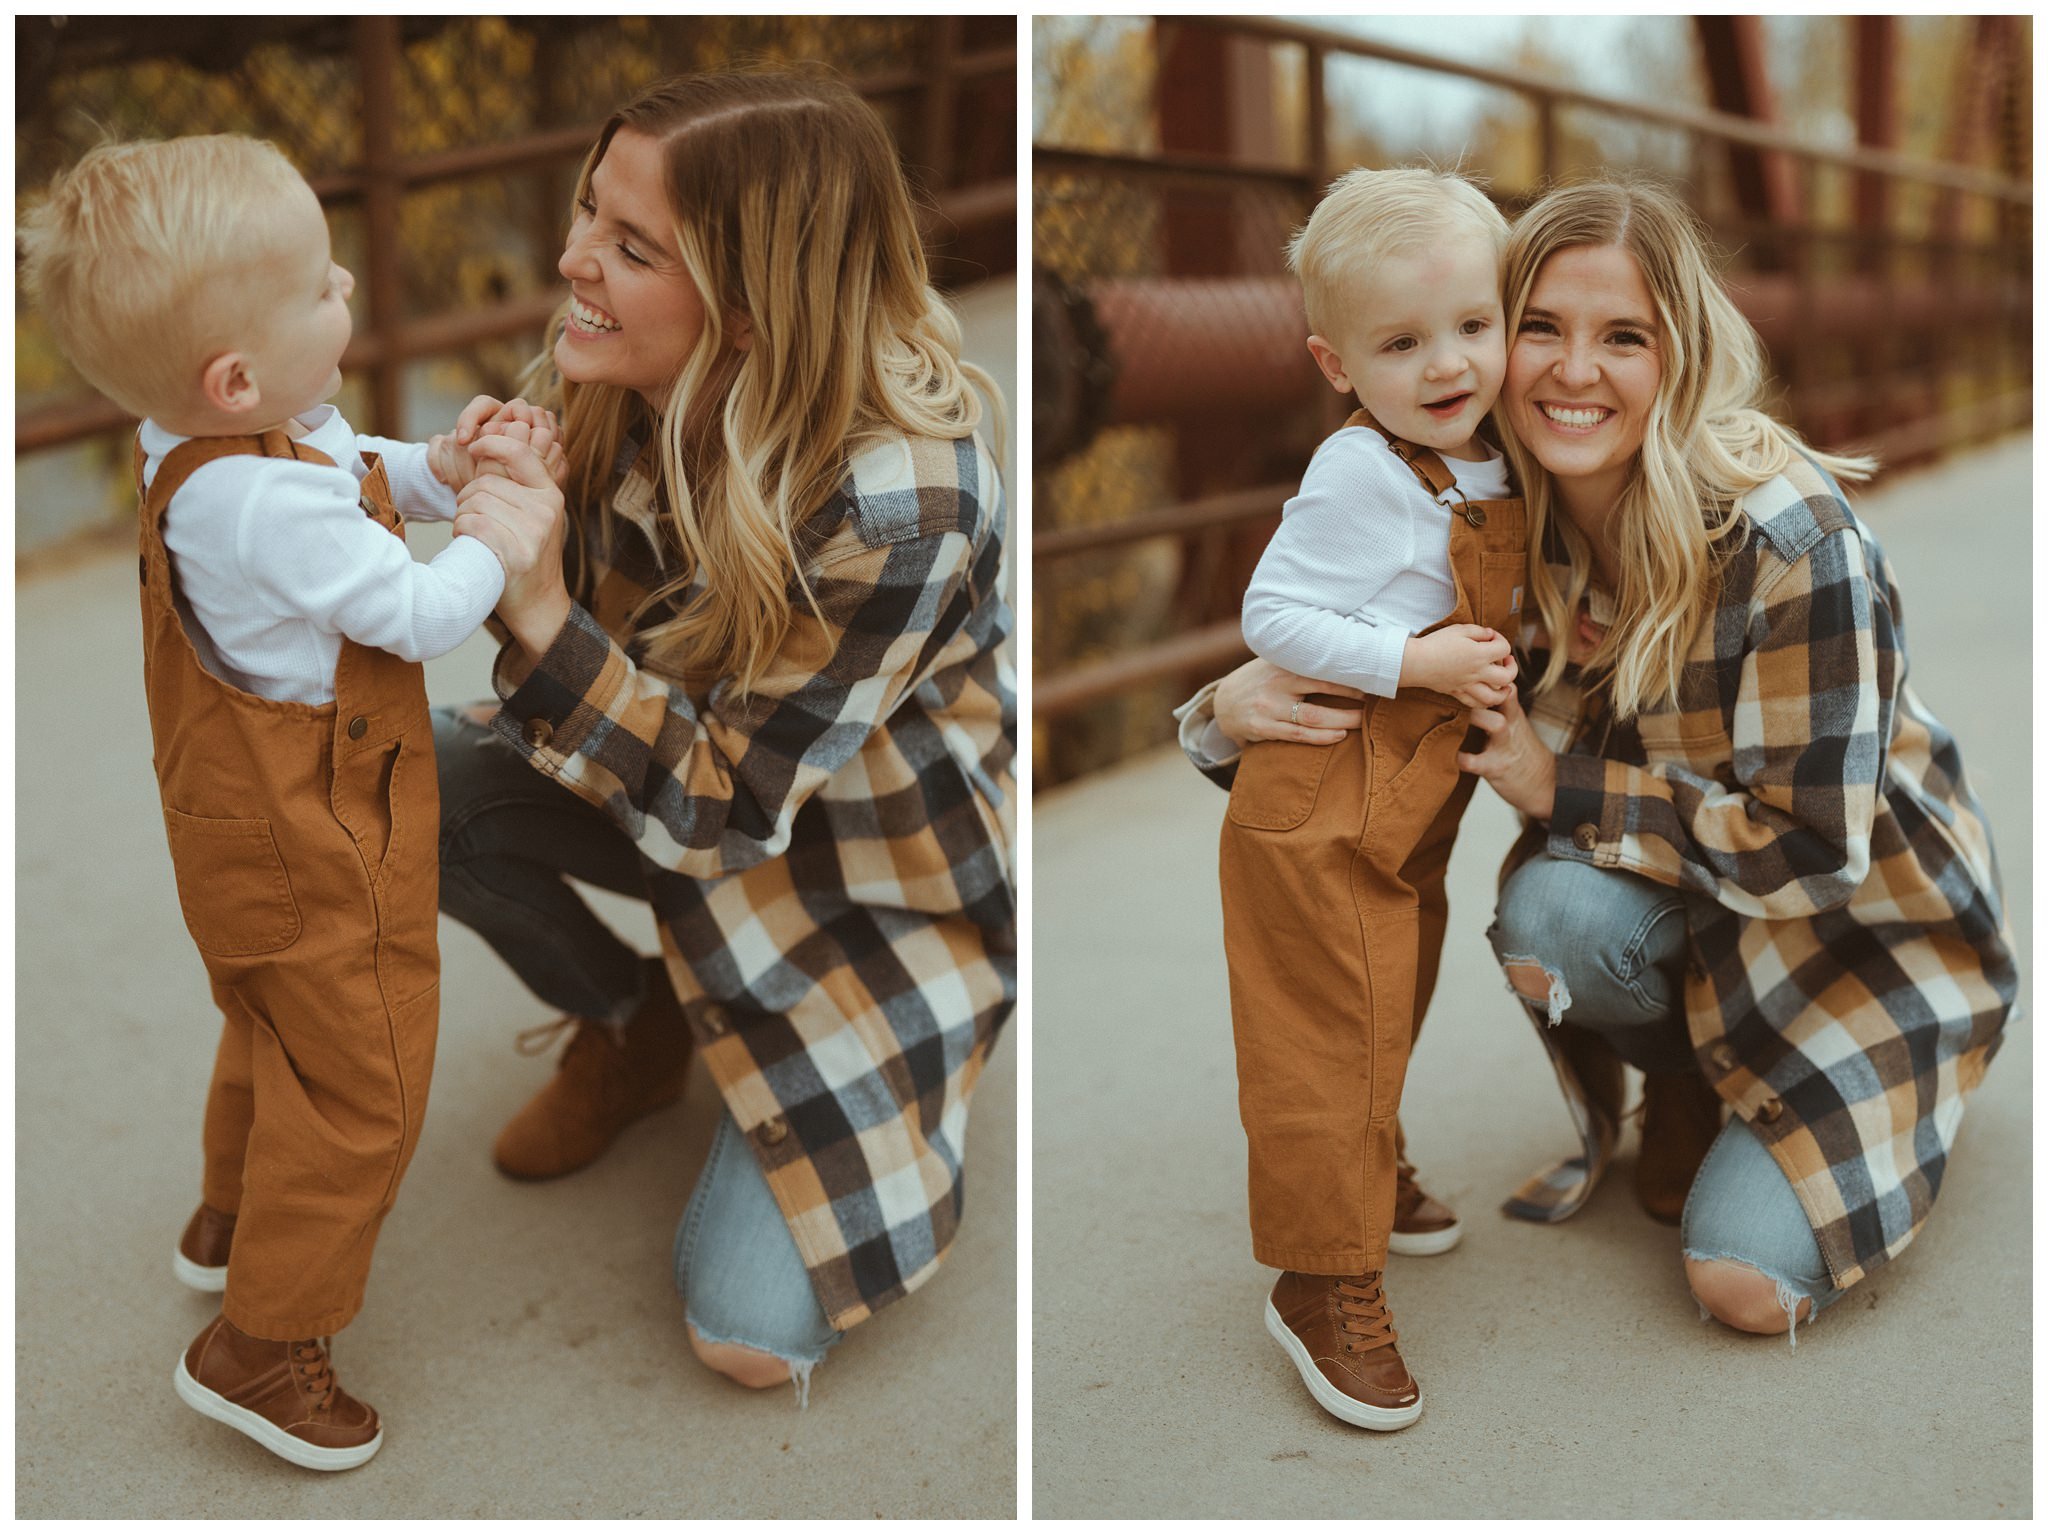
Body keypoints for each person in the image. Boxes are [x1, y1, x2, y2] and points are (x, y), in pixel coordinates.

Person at [1182, 175, 2015, 1345]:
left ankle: (1910, 1077)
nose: (1573, 372)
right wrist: (1227, 701)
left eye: (1621, 337)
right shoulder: (1504, 495)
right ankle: (1684, 1077)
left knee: (1742, 1286)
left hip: (1850, 940)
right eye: (1539, 329)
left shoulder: (1791, 542)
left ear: (1678, 349)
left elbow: (1817, 851)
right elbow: (1359, 628)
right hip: (1683, 906)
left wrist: (1553, 781)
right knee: (1552, 915)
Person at [432, 71, 1014, 1402]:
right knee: (404, 776)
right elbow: (603, 703)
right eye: (591, 213)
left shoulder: (904, 502)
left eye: (633, 248)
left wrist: (536, 605)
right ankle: (631, 1020)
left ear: (752, 307)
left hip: (855, 891)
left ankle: (917, 1071)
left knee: (746, 1336)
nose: (575, 259)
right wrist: (503, 484)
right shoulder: (612, 362)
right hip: (670, 783)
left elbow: (726, 811)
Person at [18, 134, 549, 1469]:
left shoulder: (204, 454)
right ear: (235, 374)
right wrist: (496, 531)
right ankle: (266, 1343)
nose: (350, 282)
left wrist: (434, 465)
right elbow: (421, 609)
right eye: (321, 284)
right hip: (324, 845)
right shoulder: (265, 508)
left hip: (233, 841)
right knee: (361, 1080)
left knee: (268, 1030)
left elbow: (342, 461)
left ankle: (227, 1217)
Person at [1210, 167, 1520, 1433]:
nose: (1445, 364)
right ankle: (1319, 1276)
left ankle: (1368, 1167)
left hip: (1407, 800)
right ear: (1338, 366)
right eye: (1400, 344)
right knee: (1319, 1037)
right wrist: (1414, 661)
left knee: (1385, 997)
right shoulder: (1362, 473)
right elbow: (1269, 614)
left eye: (1470, 327)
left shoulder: (1490, 454)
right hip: (1322, 788)